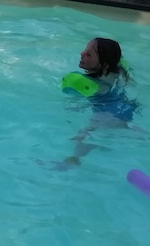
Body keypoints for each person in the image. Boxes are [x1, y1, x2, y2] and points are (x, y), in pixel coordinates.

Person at [57, 37, 137, 168]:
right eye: (84, 50)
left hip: (108, 112)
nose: (81, 54)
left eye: (88, 54)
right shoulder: (117, 71)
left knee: (83, 137)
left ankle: (72, 161)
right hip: (125, 107)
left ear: (104, 65)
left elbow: (79, 103)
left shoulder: (94, 84)